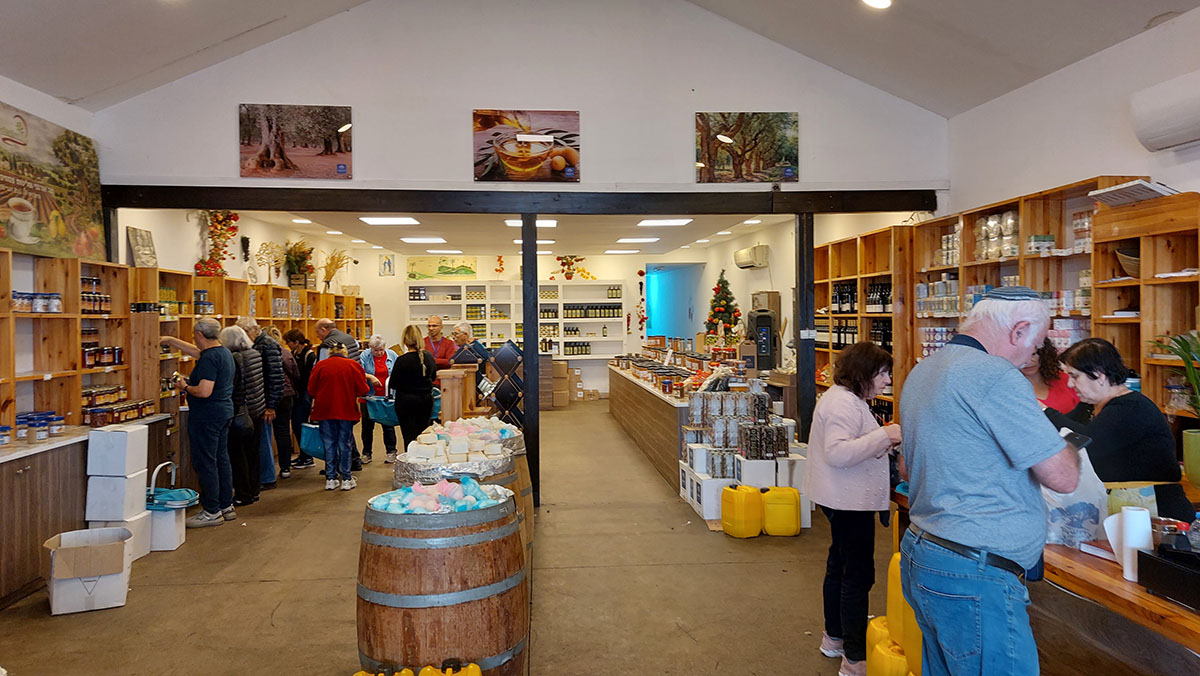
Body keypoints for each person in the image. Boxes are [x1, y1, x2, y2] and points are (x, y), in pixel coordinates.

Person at [899, 286, 1079, 676]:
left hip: (927, 553)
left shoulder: (925, 369)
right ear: (1018, 330)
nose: (1031, 358)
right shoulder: (994, 376)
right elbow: (1063, 477)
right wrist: (1064, 444)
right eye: (1035, 345)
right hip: (974, 575)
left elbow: (907, 470)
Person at [804, 342, 902, 676]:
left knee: (840, 567)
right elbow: (838, 453)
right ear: (864, 373)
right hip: (848, 501)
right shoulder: (843, 404)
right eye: (883, 373)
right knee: (857, 577)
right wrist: (885, 436)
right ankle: (855, 659)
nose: (887, 380)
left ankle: (834, 638)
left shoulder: (844, 399)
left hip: (842, 498)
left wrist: (881, 441)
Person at [1044, 338, 1194, 522]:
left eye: (1074, 376)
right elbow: (1062, 432)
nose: (1069, 384)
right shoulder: (1090, 406)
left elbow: (1087, 443)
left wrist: (1044, 411)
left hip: (1156, 513)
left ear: (1099, 375)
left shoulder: (1132, 408)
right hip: (1118, 507)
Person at [160, 318, 235, 527]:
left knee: (206, 462)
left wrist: (184, 386)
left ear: (200, 335)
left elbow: (203, 391)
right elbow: (196, 352)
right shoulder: (223, 352)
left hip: (207, 416)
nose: (194, 339)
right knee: (221, 460)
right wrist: (170, 340)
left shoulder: (209, 359)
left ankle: (211, 511)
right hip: (223, 413)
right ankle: (226, 505)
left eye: (194, 335)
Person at [307, 343, 369, 491]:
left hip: (325, 411)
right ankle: (346, 478)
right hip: (345, 410)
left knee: (329, 444)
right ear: (345, 352)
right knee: (345, 444)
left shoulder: (320, 366)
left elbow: (311, 390)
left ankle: (330, 478)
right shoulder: (353, 365)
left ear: (330, 352)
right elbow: (363, 389)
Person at [220, 326, 267, 507]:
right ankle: (254, 490)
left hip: (241, 412)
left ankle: (243, 494)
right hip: (256, 408)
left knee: (237, 454)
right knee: (253, 452)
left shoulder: (235, 358)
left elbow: (236, 387)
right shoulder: (254, 354)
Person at [237, 318, 285, 489]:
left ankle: (267, 478)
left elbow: (275, 377)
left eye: (243, 331)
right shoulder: (257, 344)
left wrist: (271, 405)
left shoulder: (267, 345)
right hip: (259, 400)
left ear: (253, 329)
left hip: (263, 402)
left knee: (263, 440)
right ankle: (261, 477)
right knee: (259, 441)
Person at [314, 318, 365, 469]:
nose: (317, 335)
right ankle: (353, 461)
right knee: (346, 431)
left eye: (317, 332)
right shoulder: (349, 339)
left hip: (332, 394)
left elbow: (322, 371)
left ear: (324, 329)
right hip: (349, 391)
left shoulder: (327, 345)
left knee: (331, 436)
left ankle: (334, 468)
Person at [389, 325, 438, 450]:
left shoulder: (402, 360)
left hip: (406, 402)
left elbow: (393, 383)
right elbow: (433, 377)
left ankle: (410, 458)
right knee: (423, 434)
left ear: (405, 340)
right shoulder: (428, 357)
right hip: (425, 400)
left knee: (409, 437)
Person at [264, 326, 299, 478]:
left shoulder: (262, 353)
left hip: (268, 395)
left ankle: (266, 470)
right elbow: (295, 373)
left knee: (265, 432)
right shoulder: (286, 353)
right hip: (287, 395)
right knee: (283, 431)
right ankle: (285, 467)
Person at [359, 335, 399, 464]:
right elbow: (359, 372)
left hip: (387, 395)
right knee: (367, 427)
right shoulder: (364, 356)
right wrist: (370, 376)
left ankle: (391, 451)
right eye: (375, 350)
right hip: (369, 396)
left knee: (388, 425)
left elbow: (398, 371)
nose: (379, 353)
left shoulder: (392, 355)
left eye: (381, 350)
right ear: (370, 348)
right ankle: (366, 453)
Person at [283, 329, 317, 470]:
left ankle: (307, 457)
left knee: (302, 425)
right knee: (297, 426)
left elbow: (312, 376)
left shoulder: (309, 355)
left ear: (296, 342)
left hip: (305, 395)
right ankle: (303, 455)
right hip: (297, 395)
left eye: (289, 342)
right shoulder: (294, 354)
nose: (287, 345)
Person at [1020, 338, 1080, 415]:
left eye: (1033, 354)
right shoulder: (1010, 389)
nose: (1027, 362)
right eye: (1020, 356)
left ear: (1043, 355)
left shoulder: (1065, 379)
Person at [451, 321, 491, 390]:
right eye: (453, 334)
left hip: (478, 387)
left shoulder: (472, 349)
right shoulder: (473, 346)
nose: (453, 337)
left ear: (465, 335)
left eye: (456, 334)